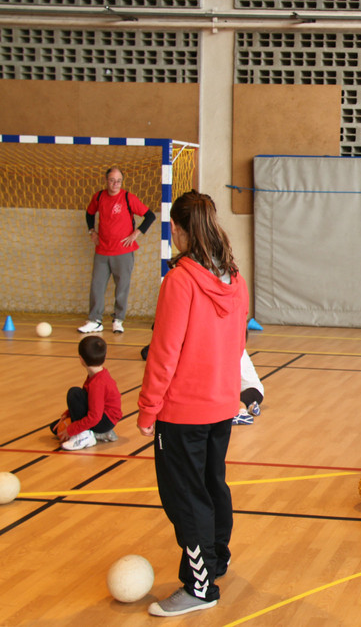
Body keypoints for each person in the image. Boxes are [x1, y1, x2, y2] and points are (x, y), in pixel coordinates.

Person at [137, 191, 248, 617]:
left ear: (179, 229)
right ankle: (216, 558)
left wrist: (148, 408)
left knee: (186, 498)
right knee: (212, 485)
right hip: (221, 406)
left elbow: (164, 352)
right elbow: (238, 343)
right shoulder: (234, 278)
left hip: (182, 412)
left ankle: (200, 587)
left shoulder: (180, 281)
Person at [78, 166, 157, 334]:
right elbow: (89, 214)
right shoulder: (99, 197)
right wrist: (92, 231)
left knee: (122, 287)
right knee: (97, 286)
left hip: (123, 252)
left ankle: (118, 320)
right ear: (106, 180)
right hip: (102, 250)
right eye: (112, 180)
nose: (115, 184)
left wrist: (136, 233)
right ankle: (95, 320)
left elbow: (150, 216)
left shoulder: (128, 198)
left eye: (119, 181)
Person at [50, 335, 122, 450]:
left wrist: (72, 430)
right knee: (55, 428)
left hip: (103, 420)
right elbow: (88, 400)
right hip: (103, 419)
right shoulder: (97, 375)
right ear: (105, 356)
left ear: (81, 359)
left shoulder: (98, 383)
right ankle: (100, 434)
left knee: (74, 393)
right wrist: (67, 415)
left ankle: (84, 436)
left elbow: (94, 417)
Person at [231, 349, 265, 426]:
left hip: (252, 390)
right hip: (244, 391)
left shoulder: (235, 351)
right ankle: (250, 406)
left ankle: (242, 413)